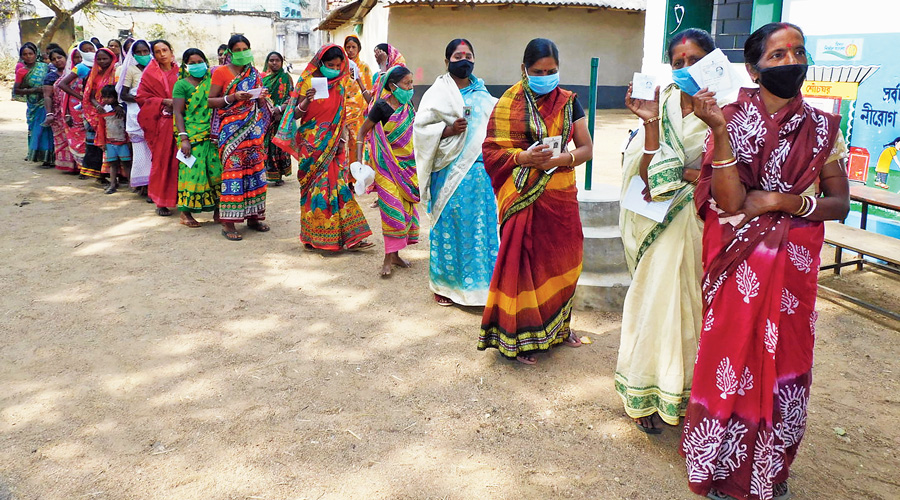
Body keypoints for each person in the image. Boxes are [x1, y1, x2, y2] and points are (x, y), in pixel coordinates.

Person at [680, 23, 849, 500]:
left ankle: (770, 470)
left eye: (798, 52)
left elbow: (839, 203)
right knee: (730, 359)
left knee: (785, 361)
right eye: (777, 56)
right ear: (754, 69)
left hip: (793, 268)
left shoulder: (822, 128)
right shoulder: (728, 117)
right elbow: (731, 204)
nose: (790, 62)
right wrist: (717, 129)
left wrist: (784, 202)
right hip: (739, 268)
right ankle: (720, 470)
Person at [615, 28, 714, 434]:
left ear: (714, 61)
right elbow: (648, 177)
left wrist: (685, 174)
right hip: (660, 221)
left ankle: (687, 394)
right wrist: (651, 122)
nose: (686, 68)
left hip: (704, 225)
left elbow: (731, 178)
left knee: (692, 309)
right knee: (655, 302)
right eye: (678, 63)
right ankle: (644, 393)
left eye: (695, 60)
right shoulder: (663, 103)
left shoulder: (731, 108)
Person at [476, 38, 593, 365]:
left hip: (561, 197)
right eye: (539, 71)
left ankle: (559, 328)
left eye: (552, 70)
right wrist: (523, 157)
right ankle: (520, 337)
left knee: (564, 262)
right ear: (524, 70)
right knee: (525, 266)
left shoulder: (570, 102)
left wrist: (561, 159)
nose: (546, 76)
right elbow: (491, 152)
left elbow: (586, 147)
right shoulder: (507, 104)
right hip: (523, 199)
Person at [414, 38, 499, 306]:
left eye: (469, 55)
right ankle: (445, 286)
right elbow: (420, 130)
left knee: (480, 229)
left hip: (480, 177)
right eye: (458, 55)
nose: (464, 59)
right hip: (448, 174)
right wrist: (449, 130)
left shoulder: (484, 96)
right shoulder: (436, 94)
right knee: (449, 227)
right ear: (447, 60)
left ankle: (481, 288)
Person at [273, 44, 373, 251]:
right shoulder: (308, 82)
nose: (335, 69)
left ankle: (350, 237)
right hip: (312, 146)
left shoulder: (341, 83)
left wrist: (342, 139)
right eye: (330, 65)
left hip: (334, 142)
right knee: (315, 190)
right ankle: (314, 237)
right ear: (321, 62)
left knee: (338, 188)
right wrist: (306, 101)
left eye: (338, 65)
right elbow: (297, 115)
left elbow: (341, 113)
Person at [356, 65, 419, 276]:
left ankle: (396, 255)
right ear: (393, 86)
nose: (411, 87)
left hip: (407, 167)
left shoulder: (408, 107)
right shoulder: (381, 107)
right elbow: (362, 132)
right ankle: (387, 257)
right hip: (385, 168)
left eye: (411, 83)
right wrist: (358, 164)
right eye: (407, 83)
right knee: (392, 212)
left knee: (405, 211)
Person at [209, 34, 272, 241]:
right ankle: (228, 223)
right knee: (233, 174)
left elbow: (261, 104)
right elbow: (211, 101)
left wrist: (261, 97)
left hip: (253, 129)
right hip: (231, 130)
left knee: (255, 171)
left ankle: (254, 217)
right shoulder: (221, 72)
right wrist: (233, 97)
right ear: (230, 52)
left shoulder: (253, 72)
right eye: (237, 49)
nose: (242, 52)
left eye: (245, 48)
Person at [173, 48, 223, 227]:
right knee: (192, 173)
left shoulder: (213, 82)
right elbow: (178, 113)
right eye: (192, 63)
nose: (196, 66)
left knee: (217, 172)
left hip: (214, 133)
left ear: (206, 62)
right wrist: (184, 138)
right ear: (186, 66)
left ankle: (219, 211)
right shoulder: (181, 85)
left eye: (199, 62)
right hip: (193, 136)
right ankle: (185, 214)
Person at [137, 39, 180, 216]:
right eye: (157, 51)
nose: (162, 54)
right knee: (162, 162)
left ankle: (184, 199)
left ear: (171, 51)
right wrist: (163, 101)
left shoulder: (182, 72)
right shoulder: (149, 74)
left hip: (185, 122)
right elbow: (141, 97)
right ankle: (161, 201)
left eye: (165, 50)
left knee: (182, 162)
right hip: (163, 123)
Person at [117, 39, 153, 191]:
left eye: (145, 51)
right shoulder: (131, 70)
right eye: (139, 52)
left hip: (154, 113)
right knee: (140, 152)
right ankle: (142, 184)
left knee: (154, 152)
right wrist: (141, 99)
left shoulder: (155, 68)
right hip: (136, 114)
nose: (143, 54)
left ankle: (154, 185)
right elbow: (123, 94)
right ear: (133, 54)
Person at [80, 47, 118, 181]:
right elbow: (90, 96)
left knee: (114, 143)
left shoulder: (117, 72)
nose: (102, 61)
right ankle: (98, 174)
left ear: (112, 58)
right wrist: (98, 106)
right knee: (97, 144)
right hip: (97, 112)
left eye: (105, 58)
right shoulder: (94, 74)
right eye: (99, 59)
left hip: (114, 113)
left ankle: (113, 175)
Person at [14, 42, 54, 167]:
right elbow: (16, 90)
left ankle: (50, 157)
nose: (28, 56)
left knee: (47, 129)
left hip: (47, 102)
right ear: (21, 56)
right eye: (25, 54)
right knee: (36, 128)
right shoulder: (21, 71)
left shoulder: (45, 66)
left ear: (35, 54)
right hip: (33, 104)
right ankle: (38, 155)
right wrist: (33, 90)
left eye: (30, 53)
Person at [261, 51, 293, 185]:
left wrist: (280, 109)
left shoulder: (286, 78)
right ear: (267, 62)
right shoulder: (263, 79)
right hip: (266, 118)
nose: (274, 63)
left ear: (281, 62)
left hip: (282, 117)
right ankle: (269, 174)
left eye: (277, 60)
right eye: (271, 60)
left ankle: (279, 174)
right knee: (267, 145)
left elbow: (292, 96)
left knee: (279, 145)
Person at [41, 47, 75, 172]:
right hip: (58, 112)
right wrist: (49, 113)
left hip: (74, 110)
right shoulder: (51, 77)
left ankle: (80, 165)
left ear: (66, 57)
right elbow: (47, 96)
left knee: (77, 137)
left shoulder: (74, 72)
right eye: (53, 59)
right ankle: (67, 165)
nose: (57, 61)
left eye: (59, 57)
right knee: (63, 139)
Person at [57, 44, 90, 173]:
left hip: (89, 108)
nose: (79, 60)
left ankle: (90, 166)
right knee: (78, 138)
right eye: (76, 57)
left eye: (81, 57)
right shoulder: (74, 72)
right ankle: (81, 167)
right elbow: (63, 88)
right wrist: (79, 98)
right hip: (74, 108)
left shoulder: (90, 69)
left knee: (90, 138)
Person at [343, 35, 373, 165]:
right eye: (348, 47)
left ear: (359, 49)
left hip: (358, 112)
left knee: (355, 144)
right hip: (342, 110)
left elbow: (370, 89)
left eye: (353, 47)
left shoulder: (364, 67)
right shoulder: (339, 66)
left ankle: (354, 178)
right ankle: (343, 179)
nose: (350, 50)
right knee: (342, 145)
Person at [98, 85, 130, 194]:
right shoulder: (103, 110)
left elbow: (127, 124)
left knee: (126, 163)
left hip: (122, 141)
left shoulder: (122, 109)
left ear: (116, 98)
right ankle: (112, 184)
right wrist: (102, 142)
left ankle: (132, 184)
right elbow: (101, 127)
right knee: (112, 164)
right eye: (104, 97)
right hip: (109, 141)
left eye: (109, 97)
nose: (106, 99)